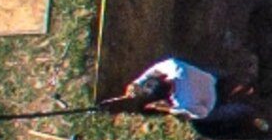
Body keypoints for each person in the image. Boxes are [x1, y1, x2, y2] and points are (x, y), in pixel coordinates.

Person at [107, 56, 260, 134]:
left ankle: (251, 112)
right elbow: (157, 69)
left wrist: (169, 109)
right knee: (211, 74)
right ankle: (239, 82)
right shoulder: (176, 68)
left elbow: (203, 113)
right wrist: (138, 82)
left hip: (213, 104)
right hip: (212, 79)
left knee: (230, 112)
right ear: (164, 79)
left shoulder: (182, 103)